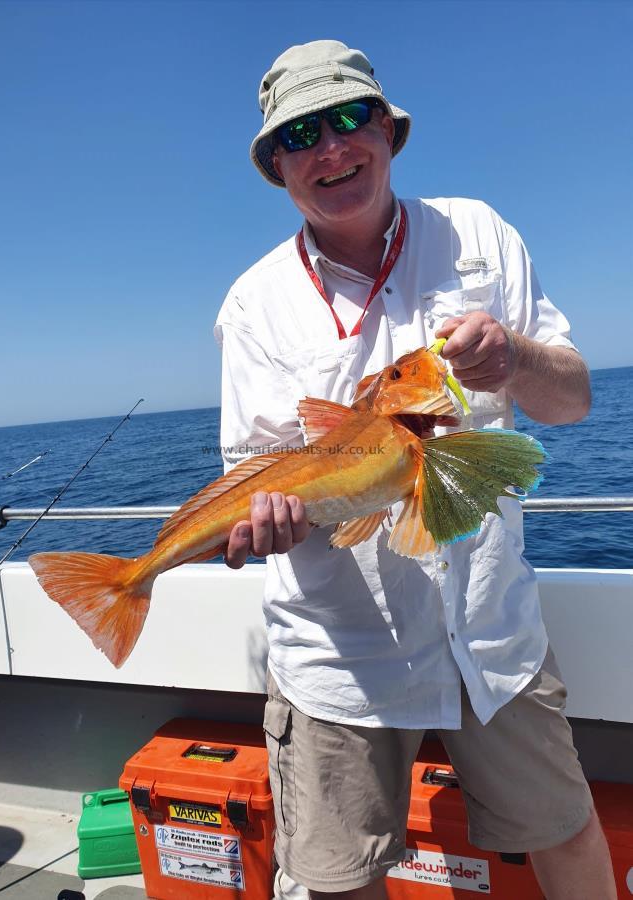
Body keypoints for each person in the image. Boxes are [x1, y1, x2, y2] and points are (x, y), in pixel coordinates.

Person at [213, 40, 615, 900]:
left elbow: (573, 400)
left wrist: (512, 359)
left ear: (388, 131)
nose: (331, 147)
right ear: (275, 166)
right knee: (335, 878)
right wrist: (259, 526)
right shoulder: (253, 302)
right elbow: (254, 467)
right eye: (301, 134)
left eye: (350, 118)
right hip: (337, 653)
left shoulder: (478, 232)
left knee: (568, 833)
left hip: (490, 633)